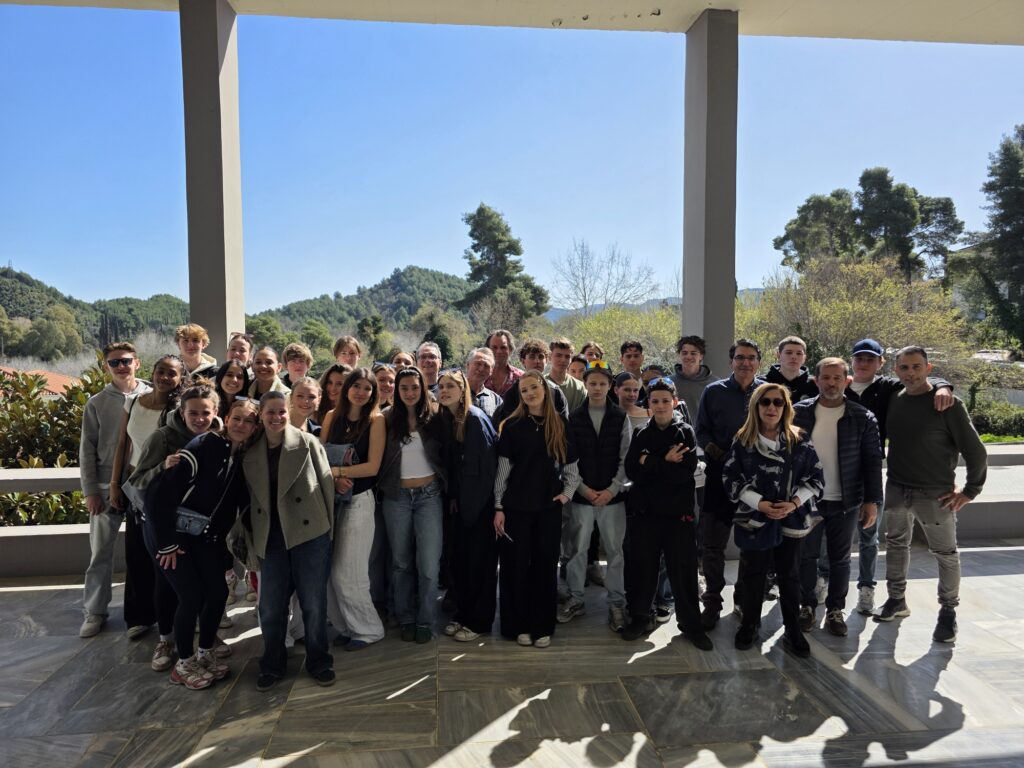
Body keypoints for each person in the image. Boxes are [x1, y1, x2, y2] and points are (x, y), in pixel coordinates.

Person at [875, 346, 987, 643]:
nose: (910, 373)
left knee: (945, 553)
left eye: (916, 367)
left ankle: (948, 611)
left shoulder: (948, 404)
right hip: (897, 488)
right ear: (896, 370)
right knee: (896, 545)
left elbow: (976, 452)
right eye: (904, 367)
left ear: (928, 368)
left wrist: (971, 491)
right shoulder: (895, 399)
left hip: (935, 494)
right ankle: (896, 599)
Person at [146, 397, 259, 689]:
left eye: (248, 421)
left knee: (218, 592)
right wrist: (167, 544)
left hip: (206, 537)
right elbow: (159, 495)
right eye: (237, 418)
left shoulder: (241, 456)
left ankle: (204, 652)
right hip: (174, 535)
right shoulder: (206, 445)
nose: (241, 425)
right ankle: (183, 664)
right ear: (226, 418)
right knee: (191, 596)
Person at [836, 338, 955, 614]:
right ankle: (824, 582)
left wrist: (943, 386)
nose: (864, 363)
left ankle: (867, 588)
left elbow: (921, 380)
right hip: (835, 470)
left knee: (869, 535)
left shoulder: (889, 388)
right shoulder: (840, 385)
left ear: (880, 363)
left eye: (870, 359)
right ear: (852, 361)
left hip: (870, 472)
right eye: (859, 358)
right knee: (828, 536)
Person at [129, 382, 234, 670]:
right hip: (162, 526)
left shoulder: (220, 439)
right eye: (193, 413)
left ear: (216, 412)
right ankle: (166, 639)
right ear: (182, 412)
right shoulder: (163, 437)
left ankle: (205, 637)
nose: (199, 419)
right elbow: (137, 480)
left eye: (205, 413)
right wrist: (163, 467)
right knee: (168, 583)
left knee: (203, 587)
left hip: (196, 529)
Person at [243, 391, 336, 690]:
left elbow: (326, 485)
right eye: (270, 412)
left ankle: (319, 661)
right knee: (271, 607)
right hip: (270, 538)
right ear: (260, 414)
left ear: (289, 411)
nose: (277, 417)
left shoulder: (308, 443)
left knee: (314, 604)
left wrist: (328, 533)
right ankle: (272, 663)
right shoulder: (250, 451)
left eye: (281, 411)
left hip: (309, 534)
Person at [723, 383, 824, 658]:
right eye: (765, 402)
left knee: (789, 575)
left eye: (778, 402)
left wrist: (793, 503)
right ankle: (750, 624)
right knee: (753, 573)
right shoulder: (743, 440)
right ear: (756, 406)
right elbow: (731, 478)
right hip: (755, 518)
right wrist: (760, 503)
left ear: (786, 407)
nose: (771, 407)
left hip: (792, 518)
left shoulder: (799, 439)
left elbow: (816, 477)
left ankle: (792, 629)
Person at [793, 358, 882, 637]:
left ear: (847, 381)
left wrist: (871, 501)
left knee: (840, 559)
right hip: (807, 500)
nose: (831, 383)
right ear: (816, 380)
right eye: (826, 378)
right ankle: (807, 606)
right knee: (806, 557)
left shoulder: (862, 417)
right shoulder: (798, 413)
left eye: (837, 378)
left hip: (846, 500)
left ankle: (835, 609)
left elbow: (872, 461)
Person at [622, 378, 712, 650]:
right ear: (648, 404)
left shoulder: (685, 432)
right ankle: (640, 617)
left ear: (674, 402)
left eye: (665, 401)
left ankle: (691, 624)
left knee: (683, 572)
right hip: (645, 514)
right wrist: (664, 460)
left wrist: (648, 461)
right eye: (655, 401)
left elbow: (682, 473)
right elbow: (632, 470)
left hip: (677, 515)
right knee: (643, 569)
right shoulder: (641, 433)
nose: (660, 406)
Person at [493, 371, 580, 648]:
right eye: (524, 390)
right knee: (515, 567)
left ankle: (542, 626)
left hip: (547, 509)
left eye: (534, 387)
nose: (530, 393)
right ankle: (517, 625)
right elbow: (503, 471)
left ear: (545, 389)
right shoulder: (512, 425)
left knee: (545, 566)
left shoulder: (561, 424)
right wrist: (498, 505)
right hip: (515, 508)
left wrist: (566, 494)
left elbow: (572, 466)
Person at [109, 354, 186, 649]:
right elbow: (122, 445)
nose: (165, 377)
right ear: (152, 372)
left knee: (163, 552)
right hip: (135, 483)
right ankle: (139, 616)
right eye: (161, 371)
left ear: (180, 379)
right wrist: (115, 484)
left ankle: (171, 617)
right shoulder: (132, 402)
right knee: (136, 551)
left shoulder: (176, 410)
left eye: (172, 374)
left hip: (162, 483)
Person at [79, 342, 152, 639]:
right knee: (100, 553)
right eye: (114, 362)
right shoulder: (96, 403)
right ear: (106, 367)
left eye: (126, 361)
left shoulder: (151, 396)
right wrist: (90, 492)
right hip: (103, 487)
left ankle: (145, 612)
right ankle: (95, 611)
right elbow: (86, 450)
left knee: (143, 554)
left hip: (141, 486)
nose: (121, 366)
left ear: (137, 363)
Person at [695, 339, 766, 629]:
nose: (745, 363)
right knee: (712, 544)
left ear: (758, 362)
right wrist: (718, 454)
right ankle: (712, 601)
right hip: (719, 478)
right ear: (731, 362)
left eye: (751, 358)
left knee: (751, 544)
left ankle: (742, 598)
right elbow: (701, 431)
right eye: (740, 357)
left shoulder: (767, 392)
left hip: (756, 480)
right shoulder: (713, 391)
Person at [561, 362, 631, 631]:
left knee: (615, 552)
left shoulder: (620, 417)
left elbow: (626, 457)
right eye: (593, 383)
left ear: (610, 386)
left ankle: (616, 603)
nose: (598, 388)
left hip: (613, 497)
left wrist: (613, 489)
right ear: (585, 385)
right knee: (577, 550)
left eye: (603, 383)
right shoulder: (574, 418)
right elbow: (569, 459)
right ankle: (576, 598)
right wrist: (583, 489)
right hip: (583, 497)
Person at [378, 367, 446, 643]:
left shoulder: (435, 416)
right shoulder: (385, 418)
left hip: (429, 495)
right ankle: (405, 616)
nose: (409, 392)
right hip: (397, 497)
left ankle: (425, 620)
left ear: (423, 388)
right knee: (401, 562)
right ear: (396, 390)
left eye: (414, 387)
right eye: (404, 387)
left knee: (428, 564)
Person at [320, 368, 387, 650]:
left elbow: (373, 466)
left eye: (367, 388)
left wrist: (338, 472)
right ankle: (347, 626)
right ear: (346, 387)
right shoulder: (330, 416)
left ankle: (369, 630)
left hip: (359, 500)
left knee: (350, 572)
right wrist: (335, 479)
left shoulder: (376, 420)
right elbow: (320, 455)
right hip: (331, 501)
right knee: (330, 572)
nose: (361, 392)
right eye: (356, 386)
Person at [436, 370, 498, 642]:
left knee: (479, 567)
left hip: (480, 509)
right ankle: (463, 615)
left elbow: (485, 471)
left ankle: (479, 622)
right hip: (463, 507)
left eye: (451, 386)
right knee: (462, 565)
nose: (444, 390)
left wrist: (473, 510)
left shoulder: (474, 419)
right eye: (441, 386)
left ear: (463, 390)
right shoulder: (451, 419)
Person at [493, 339, 569, 425]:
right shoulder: (514, 392)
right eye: (532, 357)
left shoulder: (555, 392)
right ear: (523, 361)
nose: (537, 361)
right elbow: (503, 424)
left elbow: (564, 425)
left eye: (541, 357)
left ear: (547, 361)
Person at [671, 335, 714, 422]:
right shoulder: (669, 383)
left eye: (693, 353)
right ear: (679, 355)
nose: (688, 356)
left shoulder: (714, 383)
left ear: (701, 356)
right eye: (684, 353)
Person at [765, 336, 818, 402]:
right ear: (778, 355)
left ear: (804, 358)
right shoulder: (763, 383)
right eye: (789, 353)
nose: (794, 357)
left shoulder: (815, 385)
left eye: (799, 353)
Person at [547, 337, 587, 412]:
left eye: (567, 356)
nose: (563, 360)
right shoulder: (541, 383)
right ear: (549, 357)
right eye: (558, 355)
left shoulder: (580, 388)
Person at [465, 347, 503, 419]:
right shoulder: (454, 392)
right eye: (478, 364)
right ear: (468, 365)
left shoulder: (496, 400)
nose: (481, 369)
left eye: (486, 366)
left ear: (491, 371)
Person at [485, 329, 523, 397]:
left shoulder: (521, 378)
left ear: (510, 350)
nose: (499, 351)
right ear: (488, 350)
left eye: (503, 347)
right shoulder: (480, 376)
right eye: (494, 347)